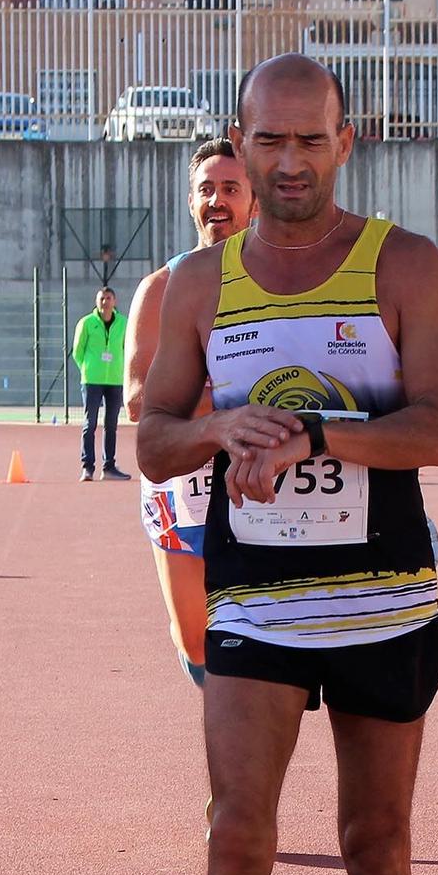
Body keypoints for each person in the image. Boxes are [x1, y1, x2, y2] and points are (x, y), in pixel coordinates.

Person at [136, 55, 438, 875]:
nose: (286, 164)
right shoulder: (196, 284)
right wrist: (221, 432)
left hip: (381, 599)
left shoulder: (401, 267)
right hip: (255, 605)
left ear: (344, 140)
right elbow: (149, 439)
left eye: (307, 142)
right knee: (237, 834)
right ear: (239, 140)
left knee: (374, 847)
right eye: (266, 142)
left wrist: (317, 440)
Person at [125, 139, 257, 687]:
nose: (218, 200)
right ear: (191, 203)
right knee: (196, 639)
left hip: (263, 475)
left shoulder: (286, 285)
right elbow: (137, 399)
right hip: (185, 482)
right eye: (207, 189)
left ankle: (249, 747)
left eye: (231, 188)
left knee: (269, 630)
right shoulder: (160, 288)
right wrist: (229, 409)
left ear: (254, 200)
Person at [72, 287, 130, 481]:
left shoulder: (123, 323)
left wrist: (121, 370)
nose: (105, 302)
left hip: (114, 380)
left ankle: (109, 467)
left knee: (111, 424)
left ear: (115, 301)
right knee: (90, 423)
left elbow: (127, 347)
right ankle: (87, 467)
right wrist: (88, 368)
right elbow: (77, 351)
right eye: (102, 299)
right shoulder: (87, 323)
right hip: (92, 380)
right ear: (97, 302)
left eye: (108, 298)